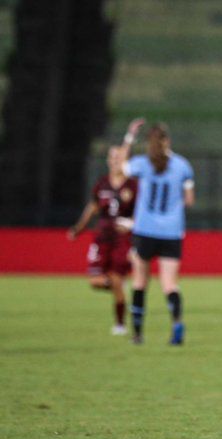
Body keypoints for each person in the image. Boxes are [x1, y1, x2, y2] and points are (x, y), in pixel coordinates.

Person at [122, 122, 195, 345]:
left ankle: (136, 333)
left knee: (139, 282)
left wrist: (129, 137)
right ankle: (176, 325)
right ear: (168, 141)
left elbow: (122, 167)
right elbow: (189, 201)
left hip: (145, 230)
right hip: (171, 232)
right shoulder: (182, 165)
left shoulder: (142, 164)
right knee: (170, 284)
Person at [67, 121, 142, 335]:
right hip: (102, 236)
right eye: (111, 157)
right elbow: (92, 207)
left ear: (125, 160)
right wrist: (79, 228)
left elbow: (143, 212)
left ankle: (119, 323)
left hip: (123, 238)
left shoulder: (133, 185)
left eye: (119, 157)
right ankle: (120, 288)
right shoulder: (102, 184)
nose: (115, 160)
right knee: (97, 281)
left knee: (117, 279)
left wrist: (131, 224)